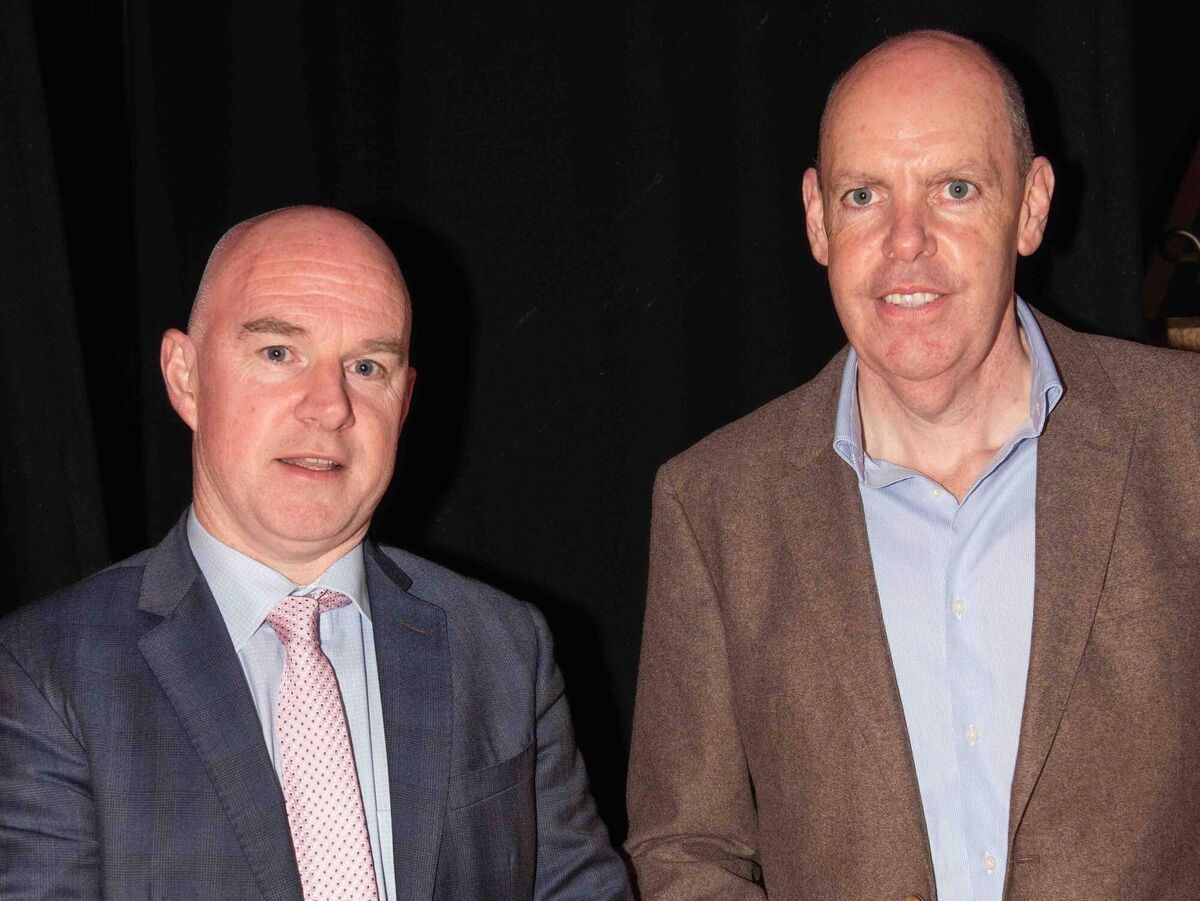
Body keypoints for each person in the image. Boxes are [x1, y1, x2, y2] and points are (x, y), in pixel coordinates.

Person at [625, 30, 1200, 901]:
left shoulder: (1185, 437)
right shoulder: (714, 504)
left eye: (954, 189)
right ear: (817, 218)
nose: (906, 242)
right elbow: (683, 849)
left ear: (1032, 206)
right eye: (864, 196)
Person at [0, 206, 632, 900]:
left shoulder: (503, 645)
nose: (330, 406)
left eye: (366, 366)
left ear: (404, 400)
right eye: (279, 353)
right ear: (185, 377)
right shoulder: (45, 672)